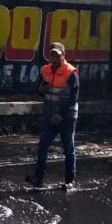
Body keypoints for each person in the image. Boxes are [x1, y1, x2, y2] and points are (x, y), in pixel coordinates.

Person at [26, 42, 79, 190]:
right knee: (42, 146)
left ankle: (69, 180)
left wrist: (61, 114)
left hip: (67, 118)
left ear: (63, 56)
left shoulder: (71, 73)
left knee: (68, 148)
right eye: (52, 56)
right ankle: (38, 178)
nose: (54, 59)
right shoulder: (45, 70)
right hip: (50, 117)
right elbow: (39, 89)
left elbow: (73, 98)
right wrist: (40, 90)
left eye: (58, 56)